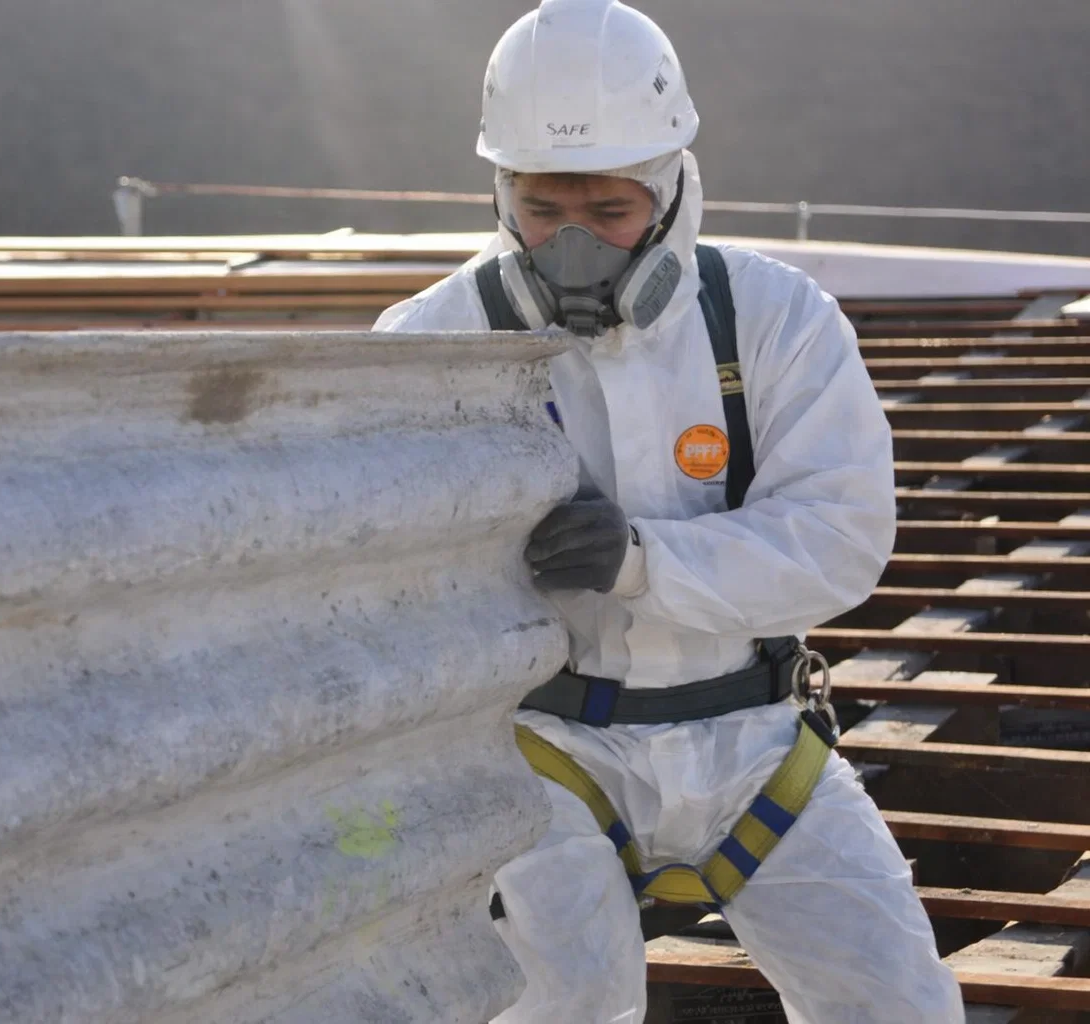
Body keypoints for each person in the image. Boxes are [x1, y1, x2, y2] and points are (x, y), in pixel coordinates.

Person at [374, 2, 966, 1021]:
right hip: (544, 749)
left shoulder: (773, 320)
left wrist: (645, 560)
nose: (574, 248)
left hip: (753, 736)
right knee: (565, 1004)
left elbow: (842, 540)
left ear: (675, 185)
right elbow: (380, 582)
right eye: (543, 210)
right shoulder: (433, 341)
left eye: (610, 214)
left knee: (897, 1000)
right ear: (502, 192)